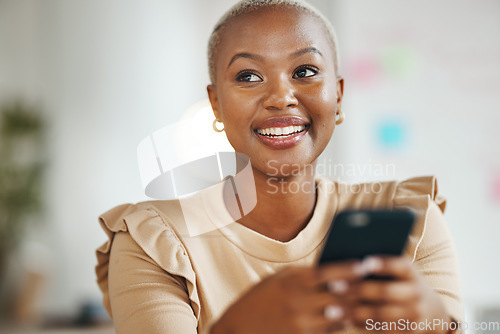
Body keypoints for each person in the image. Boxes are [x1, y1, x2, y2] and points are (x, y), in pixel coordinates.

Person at [95, 1, 463, 333]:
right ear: (216, 104)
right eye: (248, 76)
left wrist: (438, 326)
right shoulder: (154, 241)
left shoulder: (412, 217)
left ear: (338, 95)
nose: (280, 97)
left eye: (304, 70)